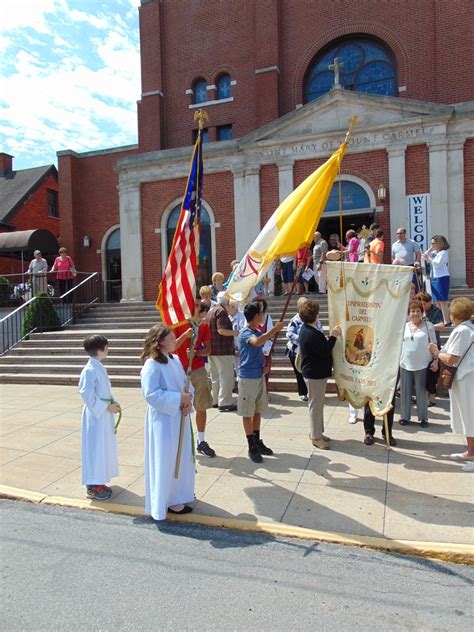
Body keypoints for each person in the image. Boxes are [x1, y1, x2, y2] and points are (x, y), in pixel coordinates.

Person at [141, 324, 195, 519]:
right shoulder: (152, 365)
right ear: (160, 342)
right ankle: (166, 499)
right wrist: (177, 399)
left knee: (180, 459)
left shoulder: (176, 360)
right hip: (163, 421)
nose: (175, 341)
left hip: (179, 416)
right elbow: (150, 395)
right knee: (165, 459)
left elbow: (185, 385)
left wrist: (189, 401)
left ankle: (179, 493)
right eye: (172, 339)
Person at [238, 301, 284, 463]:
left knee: (258, 410)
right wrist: (274, 330)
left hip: (258, 375)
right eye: (260, 313)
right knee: (247, 412)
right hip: (247, 378)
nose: (262, 316)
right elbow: (256, 342)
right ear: (255, 316)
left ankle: (257, 439)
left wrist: (263, 365)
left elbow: (260, 347)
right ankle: (251, 444)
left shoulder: (256, 330)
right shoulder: (245, 332)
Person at [78, 334, 121, 501]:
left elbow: (104, 392)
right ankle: (92, 486)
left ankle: (99, 481)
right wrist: (105, 407)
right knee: (94, 448)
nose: (108, 350)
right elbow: (87, 395)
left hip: (103, 414)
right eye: (107, 347)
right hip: (95, 416)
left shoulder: (99, 367)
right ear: (100, 349)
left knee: (102, 447)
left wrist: (113, 403)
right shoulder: (89, 370)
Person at [435, 297, 474, 471]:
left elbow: (452, 358)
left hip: (466, 377)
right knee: (467, 415)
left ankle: (472, 453)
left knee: (469, 415)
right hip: (466, 376)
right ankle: (470, 451)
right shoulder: (467, 329)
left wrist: (437, 353)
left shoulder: (462, 331)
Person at [298, 299, 341, 449]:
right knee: (316, 406)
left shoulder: (307, 330)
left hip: (314, 373)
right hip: (314, 374)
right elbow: (324, 350)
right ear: (314, 315)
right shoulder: (311, 333)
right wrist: (334, 336)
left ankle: (317, 432)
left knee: (317, 404)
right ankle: (316, 437)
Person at [175, 301, 216, 458]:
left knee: (201, 406)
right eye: (196, 304)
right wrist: (185, 336)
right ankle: (180, 441)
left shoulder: (204, 326)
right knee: (179, 407)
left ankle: (201, 440)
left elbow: (208, 349)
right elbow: (172, 347)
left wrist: (196, 353)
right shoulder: (177, 324)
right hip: (179, 369)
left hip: (197, 369)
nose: (198, 307)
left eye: (199, 305)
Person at [399, 300, 438, 428]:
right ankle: (405, 416)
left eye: (417, 311)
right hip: (405, 364)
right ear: (408, 313)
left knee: (421, 392)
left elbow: (434, 346)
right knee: (405, 393)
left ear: (422, 313)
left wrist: (436, 360)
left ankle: (423, 418)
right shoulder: (404, 326)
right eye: (412, 311)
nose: (415, 313)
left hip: (422, 364)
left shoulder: (429, 326)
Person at [286, 297, 323, 402]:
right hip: (297, 351)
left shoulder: (314, 319)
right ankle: (303, 392)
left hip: (310, 350)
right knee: (299, 372)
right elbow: (289, 334)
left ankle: (311, 392)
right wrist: (303, 340)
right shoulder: (295, 320)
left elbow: (320, 330)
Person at [207, 292, 238, 411]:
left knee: (215, 377)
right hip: (222, 350)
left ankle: (215, 400)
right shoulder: (221, 312)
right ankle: (225, 402)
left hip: (212, 349)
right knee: (226, 376)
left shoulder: (211, 311)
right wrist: (235, 332)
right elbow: (221, 330)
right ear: (227, 302)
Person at [416, 290, 444, 405]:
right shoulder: (419, 311)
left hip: (432, 344)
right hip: (420, 346)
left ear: (428, 302)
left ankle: (431, 397)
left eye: (424, 304)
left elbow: (442, 326)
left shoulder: (435, 311)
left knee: (432, 373)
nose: (422, 306)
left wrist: (429, 326)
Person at [423, 235, 451, 324]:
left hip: (442, 277)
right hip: (434, 277)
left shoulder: (443, 253)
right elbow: (424, 255)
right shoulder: (435, 252)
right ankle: (440, 318)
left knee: (442, 300)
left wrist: (429, 258)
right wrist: (430, 249)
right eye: (431, 243)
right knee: (437, 300)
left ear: (439, 243)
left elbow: (437, 263)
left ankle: (447, 320)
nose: (432, 245)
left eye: (433, 243)